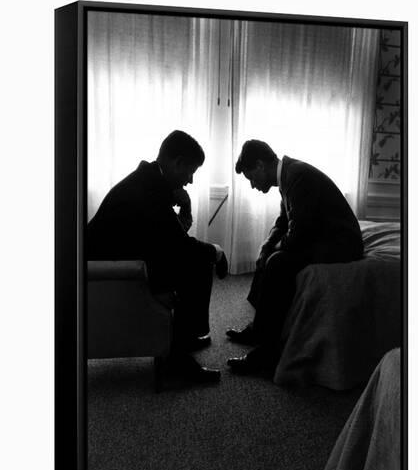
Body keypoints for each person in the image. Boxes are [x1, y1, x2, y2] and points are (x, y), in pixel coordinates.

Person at [88, 130, 228, 384]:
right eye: (190, 172)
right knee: (199, 262)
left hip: (124, 259)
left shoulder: (150, 181)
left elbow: (166, 239)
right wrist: (216, 252)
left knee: (195, 258)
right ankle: (177, 364)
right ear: (178, 163)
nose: (191, 180)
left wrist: (185, 208)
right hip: (112, 270)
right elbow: (179, 246)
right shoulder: (150, 190)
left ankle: (185, 339)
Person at [226, 140, 364, 375]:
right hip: (322, 235)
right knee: (269, 254)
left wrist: (275, 250)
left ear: (260, 166)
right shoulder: (288, 175)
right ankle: (259, 329)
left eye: (251, 178)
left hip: (340, 244)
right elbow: (284, 221)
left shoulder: (298, 177)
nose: (252, 185)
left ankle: (267, 356)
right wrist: (267, 245)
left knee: (278, 263)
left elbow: (300, 232)